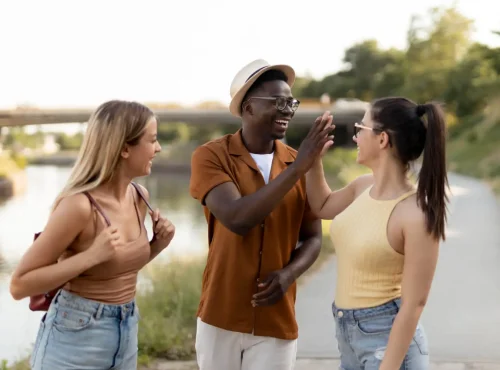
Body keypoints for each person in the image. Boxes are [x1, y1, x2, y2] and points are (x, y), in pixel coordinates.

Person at [189, 59, 334, 370]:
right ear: (248, 108)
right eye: (277, 102)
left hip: (276, 321)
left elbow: (313, 238)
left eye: (291, 102)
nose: (287, 110)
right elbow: (237, 218)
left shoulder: (299, 162)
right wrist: (298, 169)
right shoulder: (211, 156)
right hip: (221, 314)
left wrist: (289, 274)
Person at [9, 100, 176, 370]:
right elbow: (19, 285)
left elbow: (116, 270)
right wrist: (90, 256)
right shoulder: (79, 206)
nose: (158, 148)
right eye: (153, 140)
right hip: (76, 336)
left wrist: (157, 245)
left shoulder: (138, 197)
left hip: (126, 329)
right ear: (124, 148)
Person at [305, 97, 449, 369]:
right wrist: (313, 162)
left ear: (382, 140)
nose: (356, 136)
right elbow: (322, 206)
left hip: (388, 344)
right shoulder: (361, 186)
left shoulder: (416, 214)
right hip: (347, 332)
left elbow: (414, 304)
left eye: (361, 128)